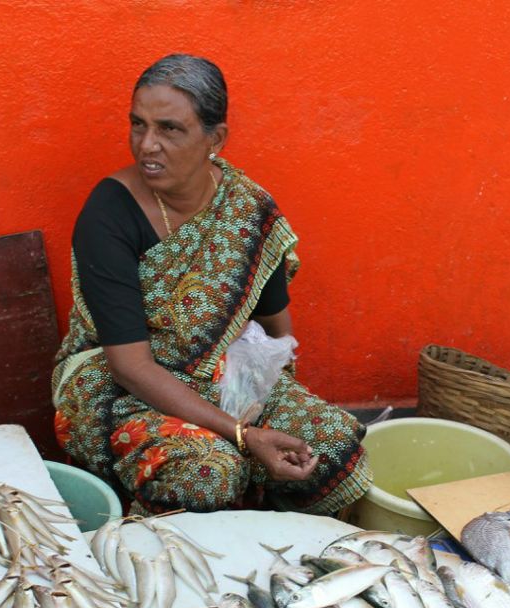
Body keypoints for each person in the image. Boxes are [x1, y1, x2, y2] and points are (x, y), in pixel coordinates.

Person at [52, 54, 372, 516]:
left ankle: (280, 549)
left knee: (330, 440)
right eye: (138, 125)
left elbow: (274, 325)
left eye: (170, 129)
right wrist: (243, 434)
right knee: (209, 472)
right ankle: (151, 544)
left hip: (218, 376)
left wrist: (270, 393)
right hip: (116, 387)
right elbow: (129, 365)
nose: (147, 145)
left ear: (215, 138)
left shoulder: (246, 209)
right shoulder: (109, 213)